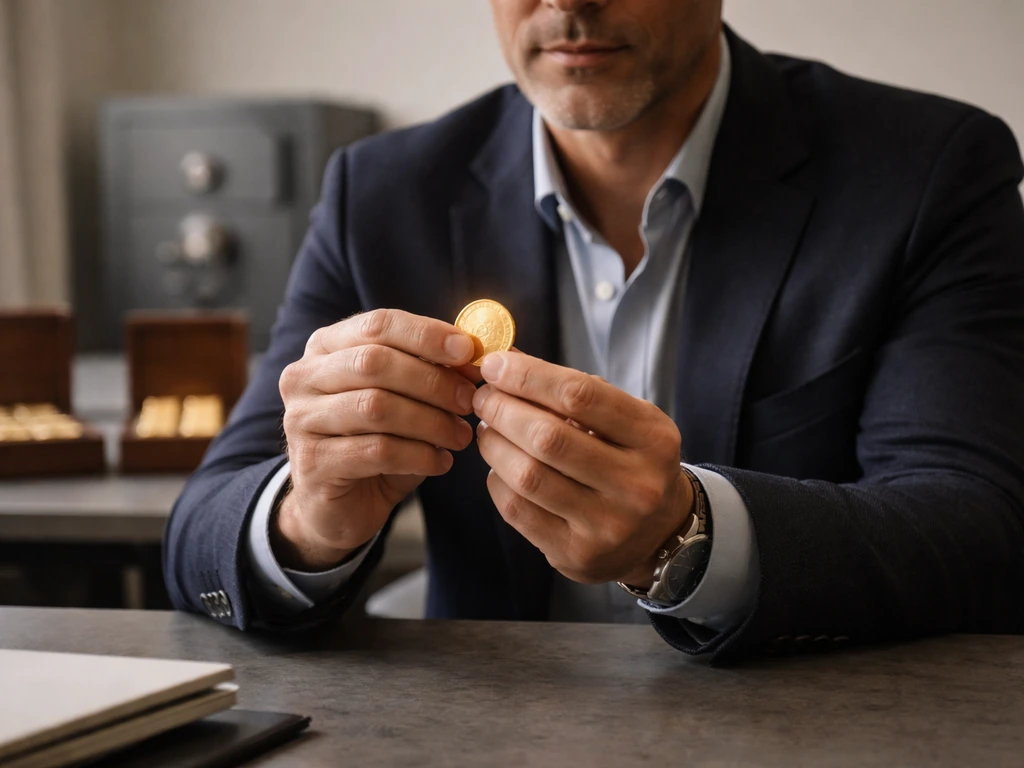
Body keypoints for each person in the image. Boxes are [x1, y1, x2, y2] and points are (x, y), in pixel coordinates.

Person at [162, 0, 1024, 663]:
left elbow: (979, 529)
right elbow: (201, 529)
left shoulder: (927, 172)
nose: (568, 1)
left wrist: (690, 538)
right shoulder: (383, 193)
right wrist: (307, 521)